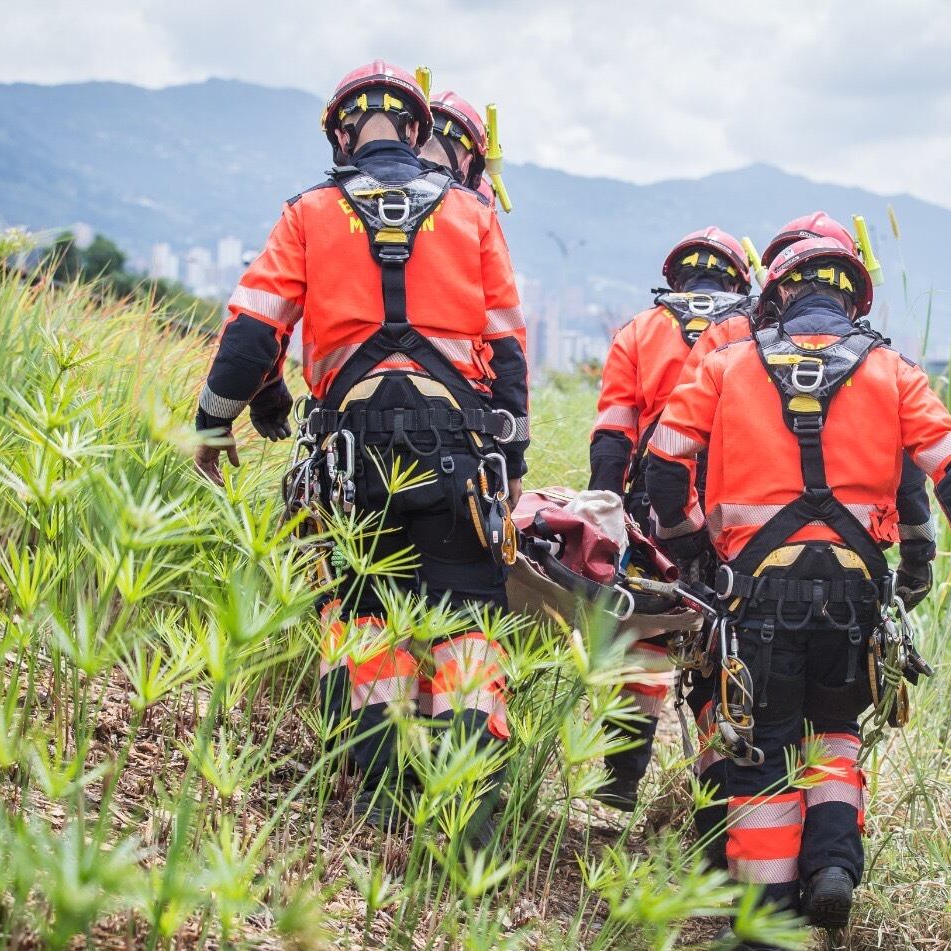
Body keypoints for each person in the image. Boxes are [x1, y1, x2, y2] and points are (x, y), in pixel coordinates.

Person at [644, 236, 951, 951]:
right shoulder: (894, 371)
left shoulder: (724, 364)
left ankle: (769, 927)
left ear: (776, 294)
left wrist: (689, 550)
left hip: (757, 593)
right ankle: (835, 863)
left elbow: (662, 464)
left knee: (761, 746)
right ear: (853, 299)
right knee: (835, 730)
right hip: (854, 594)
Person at [191, 59, 529, 843]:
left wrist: (217, 425)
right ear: (418, 132)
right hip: (458, 457)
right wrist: (507, 469)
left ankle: (378, 811)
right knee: (468, 629)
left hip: (350, 464)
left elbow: (250, 336)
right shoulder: (476, 217)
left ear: (342, 133)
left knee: (367, 623)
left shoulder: (309, 211)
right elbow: (509, 353)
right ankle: (470, 821)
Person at [690, 212, 938, 609]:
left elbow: (684, 454)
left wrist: (689, 550)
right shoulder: (888, 366)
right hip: (853, 572)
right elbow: (912, 476)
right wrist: (920, 557)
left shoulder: (726, 346)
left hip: (741, 567)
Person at [586, 227, 754, 813]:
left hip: (647, 509)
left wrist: (604, 513)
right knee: (723, 641)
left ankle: (623, 772)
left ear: (677, 276)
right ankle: (714, 798)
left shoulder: (639, 330)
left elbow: (612, 436)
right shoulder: (752, 330)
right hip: (731, 509)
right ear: (738, 277)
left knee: (645, 631)